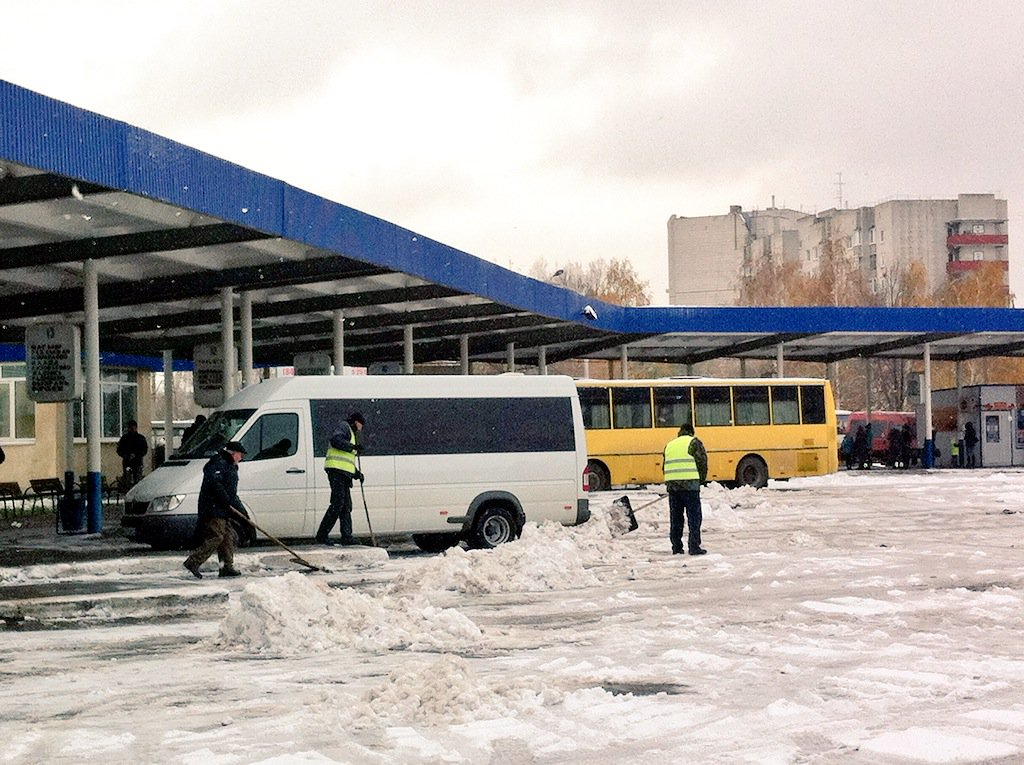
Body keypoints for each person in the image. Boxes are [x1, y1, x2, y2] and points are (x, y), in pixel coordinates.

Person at [183, 441, 247, 579]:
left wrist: (243, 512)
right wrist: (225, 499)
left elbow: (232, 493)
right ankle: (193, 562)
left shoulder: (231, 466)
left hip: (223, 508)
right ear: (232, 453)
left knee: (227, 536)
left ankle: (226, 567)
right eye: (240, 454)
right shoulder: (217, 463)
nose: (241, 458)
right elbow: (214, 484)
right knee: (217, 536)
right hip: (213, 507)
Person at [315, 412, 365, 546]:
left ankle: (347, 537)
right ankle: (322, 535)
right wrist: (352, 447)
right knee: (338, 504)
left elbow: (347, 461)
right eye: (361, 424)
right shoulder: (344, 426)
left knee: (346, 506)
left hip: (343, 472)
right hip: (336, 470)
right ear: (356, 421)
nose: (361, 428)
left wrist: (356, 474)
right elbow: (336, 441)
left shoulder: (352, 433)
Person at [663, 422, 708, 556]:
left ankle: (676, 547)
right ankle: (694, 546)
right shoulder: (694, 443)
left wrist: (671, 482)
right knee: (694, 516)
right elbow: (702, 462)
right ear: (691, 432)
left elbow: (664, 466)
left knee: (676, 517)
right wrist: (700, 480)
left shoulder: (669, 445)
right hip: (690, 486)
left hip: (673, 487)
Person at [116, 420, 148, 487]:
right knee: (128, 480)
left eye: (133, 428)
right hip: (128, 462)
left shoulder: (140, 438)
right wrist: (126, 455)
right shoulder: (125, 438)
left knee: (137, 480)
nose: (132, 429)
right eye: (131, 428)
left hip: (137, 462)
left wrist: (136, 455)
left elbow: (144, 450)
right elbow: (119, 450)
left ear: (136, 428)